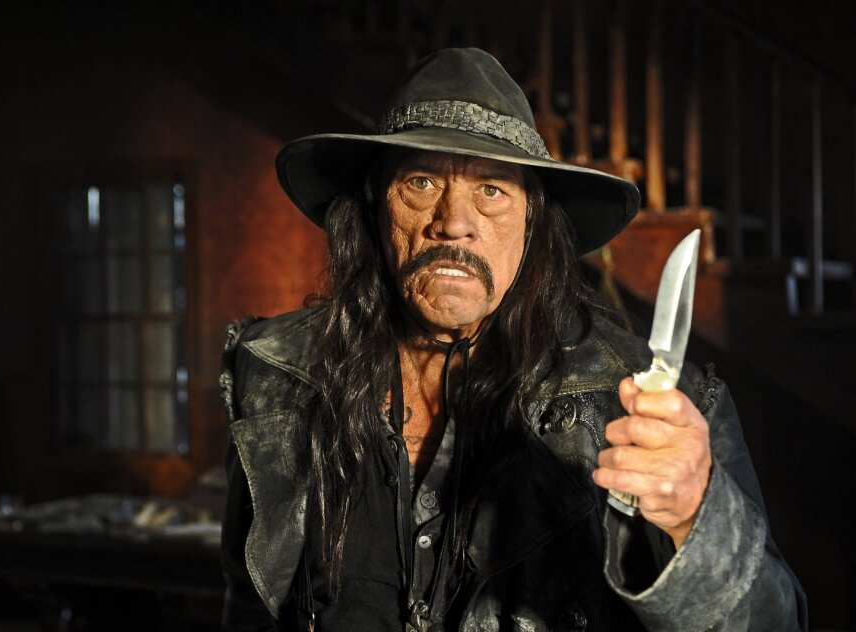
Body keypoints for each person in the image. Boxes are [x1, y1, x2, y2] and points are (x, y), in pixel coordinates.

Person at [220, 48, 806, 631]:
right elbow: (249, 605)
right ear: (375, 208)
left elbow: (774, 623)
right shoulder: (276, 377)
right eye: (421, 181)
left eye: (492, 190)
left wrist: (695, 518)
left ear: (532, 222)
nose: (454, 222)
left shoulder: (645, 402)